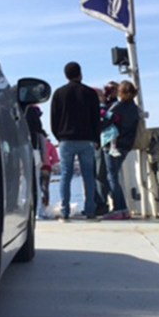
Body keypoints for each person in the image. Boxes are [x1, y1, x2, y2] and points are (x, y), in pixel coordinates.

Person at [50, 61, 101, 221]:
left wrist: (59, 136)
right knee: (88, 176)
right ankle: (90, 210)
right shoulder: (90, 93)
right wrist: (96, 138)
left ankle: (65, 212)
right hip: (86, 139)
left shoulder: (59, 93)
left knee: (66, 175)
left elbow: (54, 119)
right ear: (80, 73)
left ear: (66, 75)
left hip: (66, 139)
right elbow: (96, 119)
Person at [101, 80, 141, 221]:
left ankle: (119, 209)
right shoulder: (135, 108)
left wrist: (101, 108)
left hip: (113, 145)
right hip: (126, 146)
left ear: (121, 92)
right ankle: (123, 209)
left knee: (111, 177)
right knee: (114, 175)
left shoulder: (117, 107)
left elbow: (104, 122)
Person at [94, 82, 119, 215]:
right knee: (98, 174)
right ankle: (98, 202)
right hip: (99, 142)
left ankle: (102, 204)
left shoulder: (112, 106)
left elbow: (106, 121)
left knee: (101, 174)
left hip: (104, 143)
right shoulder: (103, 107)